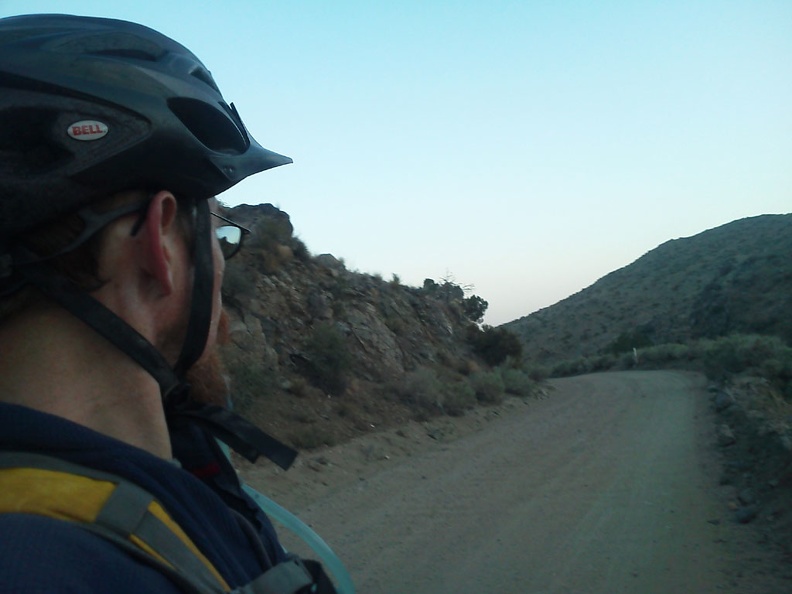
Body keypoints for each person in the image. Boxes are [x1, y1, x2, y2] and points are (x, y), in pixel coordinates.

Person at [0, 13, 337, 594]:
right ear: (160, 246)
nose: (225, 262)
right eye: (219, 233)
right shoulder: (55, 569)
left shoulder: (131, 495)